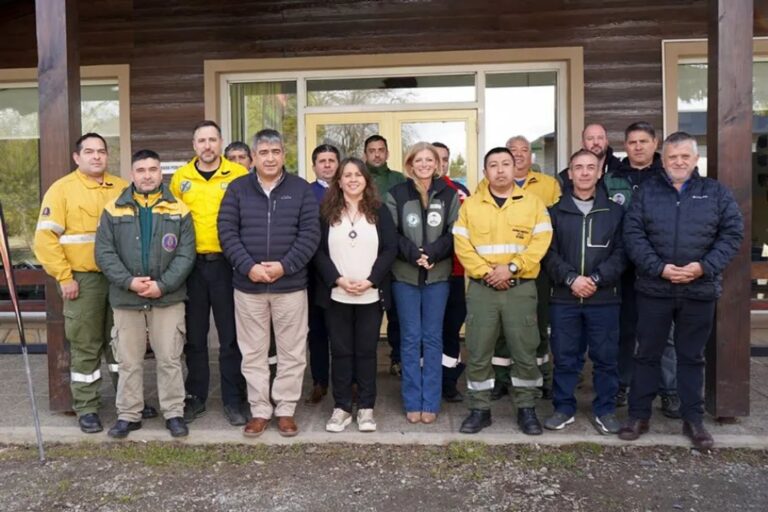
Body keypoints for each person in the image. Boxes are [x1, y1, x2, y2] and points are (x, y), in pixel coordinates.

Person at [619, 131, 743, 450]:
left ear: (695, 159)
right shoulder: (647, 193)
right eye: (672, 157)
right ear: (663, 160)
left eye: (684, 156)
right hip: (654, 288)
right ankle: (638, 416)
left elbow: (732, 234)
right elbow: (632, 234)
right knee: (646, 355)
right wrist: (658, 267)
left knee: (691, 357)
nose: (678, 162)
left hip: (699, 289)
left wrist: (704, 266)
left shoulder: (715, 192)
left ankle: (693, 420)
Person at [218, 128, 320, 438]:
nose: (270, 158)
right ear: (253, 158)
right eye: (263, 153)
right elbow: (226, 232)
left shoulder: (300, 189)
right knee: (253, 353)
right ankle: (260, 410)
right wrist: (248, 267)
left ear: (284, 155)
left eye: (276, 152)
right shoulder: (237, 189)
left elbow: (310, 234)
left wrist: (284, 266)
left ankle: (286, 409)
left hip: (290, 286)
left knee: (292, 352)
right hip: (248, 286)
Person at [95, 149, 195, 439]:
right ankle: (129, 415)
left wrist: (162, 285)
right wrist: (130, 282)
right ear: (132, 174)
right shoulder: (113, 209)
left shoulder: (179, 209)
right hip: (127, 297)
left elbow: (186, 255)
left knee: (170, 358)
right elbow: (104, 253)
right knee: (128, 361)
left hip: (168, 297)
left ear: (161, 172)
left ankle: (174, 413)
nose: (147, 175)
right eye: (141, 170)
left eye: (153, 169)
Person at [33, 133, 129, 433]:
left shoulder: (122, 188)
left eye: (101, 151)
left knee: (122, 342)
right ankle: (87, 407)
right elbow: (45, 239)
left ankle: (128, 402)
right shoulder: (62, 189)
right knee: (86, 344)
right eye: (89, 151)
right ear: (77, 157)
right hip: (82, 280)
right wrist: (64, 277)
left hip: (120, 278)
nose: (96, 156)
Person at [453, 147, 552, 435]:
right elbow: (462, 246)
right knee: (479, 350)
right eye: (493, 165)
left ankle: (526, 409)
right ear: (485, 172)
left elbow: (541, 242)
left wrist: (511, 268)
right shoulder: (471, 206)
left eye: (505, 164)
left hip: (520, 289)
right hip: (482, 290)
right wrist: (488, 272)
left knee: (524, 350)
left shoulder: (533, 204)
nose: (500, 170)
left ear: (515, 168)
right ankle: (479, 410)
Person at [170, 120, 250, 426]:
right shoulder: (181, 178)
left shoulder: (239, 174)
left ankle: (233, 399)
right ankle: (196, 396)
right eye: (201, 140)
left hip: (228, 265)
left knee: (231, 336)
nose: (207, 146)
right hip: (192, 267)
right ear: (194, 145)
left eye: (212, 140)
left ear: (220, 143)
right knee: (195, 336)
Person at [542, 149, 625, 435]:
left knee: (605, 358)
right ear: (570, 173)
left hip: (604, 298)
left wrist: (597, 279)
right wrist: (570, 278)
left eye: (591, 167)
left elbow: (623, 253)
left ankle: (605, 410)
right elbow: (547, 253)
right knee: (565, 357)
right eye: (579, 167)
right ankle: (563, 408)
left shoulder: (615, 212)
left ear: (600, 172)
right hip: (564, 297)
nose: (585, 172)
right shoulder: (554, 213)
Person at [314, 157, 397, 432]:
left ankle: (366, 408)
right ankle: (341, 408)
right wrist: (337, 279)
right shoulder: (326, 212)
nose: (352, 179)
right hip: (337, 295)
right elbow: (318, 251)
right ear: (339, 181)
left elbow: (390, 249)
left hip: (370, 296)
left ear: (366, 180)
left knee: (366, 352)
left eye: (357, 175)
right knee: (340, 352)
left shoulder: (380, 211)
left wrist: (372, 280)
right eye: (347, 175)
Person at [605, 122, 679, 419]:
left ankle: (669, 390)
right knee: (623, 331)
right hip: (621, 268)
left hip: (659, 265)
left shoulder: (668, 176)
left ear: (655, 143)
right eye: (632, 142)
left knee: (664, 332)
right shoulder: (611, 178)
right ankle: (621, 384)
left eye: (643, 141)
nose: (638, 146)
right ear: (625, 145)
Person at [385, 142, 459, 424]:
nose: (425, 164)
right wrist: (415, 255)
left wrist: (432, 254)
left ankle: (431, 401)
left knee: (432, 338)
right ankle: (412, 400)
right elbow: (391, 233)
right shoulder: (397, 194)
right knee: (410, 339)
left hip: (437, 276)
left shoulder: (449, 194)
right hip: (405, 277)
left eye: (430, 160)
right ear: (410, 164)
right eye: (419, 160)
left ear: (437, 164)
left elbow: (454, 232)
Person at [490, 135, 561, 401]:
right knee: (500, 329)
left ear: (531, 156)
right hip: (497, 271)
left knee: (537, 325)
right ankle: (501, 379)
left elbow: (552, 229)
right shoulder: (487, 186)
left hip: (535, 268)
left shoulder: (548, 185)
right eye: (513, 150)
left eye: (524, 150)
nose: (518, 154)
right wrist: (498, 269)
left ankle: (543, 378)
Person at [365, 134, 406, 377]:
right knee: (368, 315)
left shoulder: (399, 180)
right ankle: (364, 365)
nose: (377, 154)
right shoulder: (359, 177)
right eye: (372, 150)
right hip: (365, 255)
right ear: (365, 154)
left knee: (397, 313)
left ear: (387, 153)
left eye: (381, 150)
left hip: (396, 255)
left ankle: (397, 359)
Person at [432, 141, 469, 402]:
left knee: (451, 330)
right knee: (426, 333)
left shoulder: (460, 192)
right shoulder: (412, 191)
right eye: (436, 158)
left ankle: (449, 382)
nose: (441, 163)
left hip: (454, 274)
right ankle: (428, 381)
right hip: (424, 275)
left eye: (445, 159)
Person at [304, 143, 340, 404]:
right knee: (316, 331)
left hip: (343, 272)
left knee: (341, 332)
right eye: (322, 161)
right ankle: (319, 382)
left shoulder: (349, 190)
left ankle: (346, 382)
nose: (327, 165)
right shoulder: (306, 193)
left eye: (331, 160)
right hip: (312, 273)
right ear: (314, 166)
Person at [558, 123, 621, 187]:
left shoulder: (621, 171)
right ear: (582, 144)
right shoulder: (565, 178)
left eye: (600, 138)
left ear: (607, 142)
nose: (596, 142)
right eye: (590, 138)